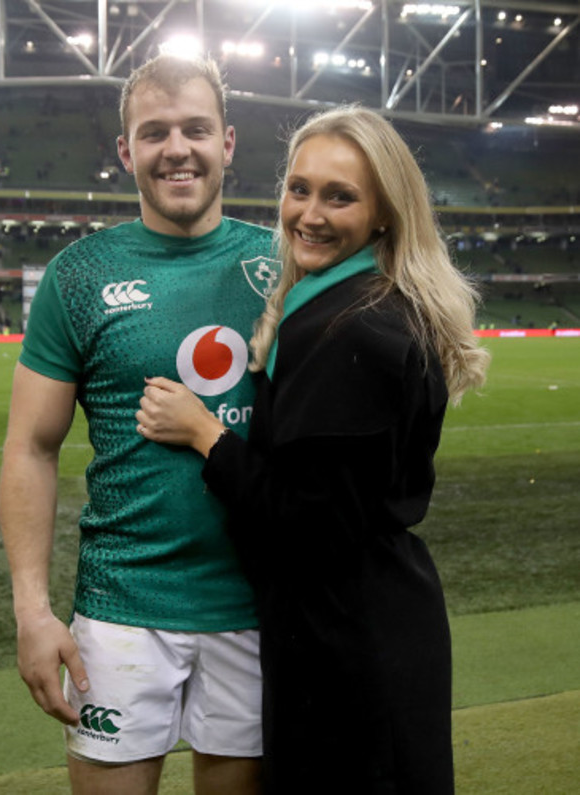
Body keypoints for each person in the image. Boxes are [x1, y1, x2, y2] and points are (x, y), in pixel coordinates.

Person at [135, 105, 491, 793]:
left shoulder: (350, 328)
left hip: (346, 646)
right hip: (363, 625)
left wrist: (203, 432)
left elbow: (307, 519)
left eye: (340, 196)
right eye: (299, 189)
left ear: (385, 212)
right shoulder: (361, 302)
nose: (310, 213)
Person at [0, 54, 279, 795]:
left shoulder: (281, 265)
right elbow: (31, 445)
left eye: (195, 128)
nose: (176, 148)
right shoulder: (79, 275)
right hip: (122, 607)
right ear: (126, 151)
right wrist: (32, 609)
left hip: (256, 604)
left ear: (228, 142)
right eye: (154, 133)